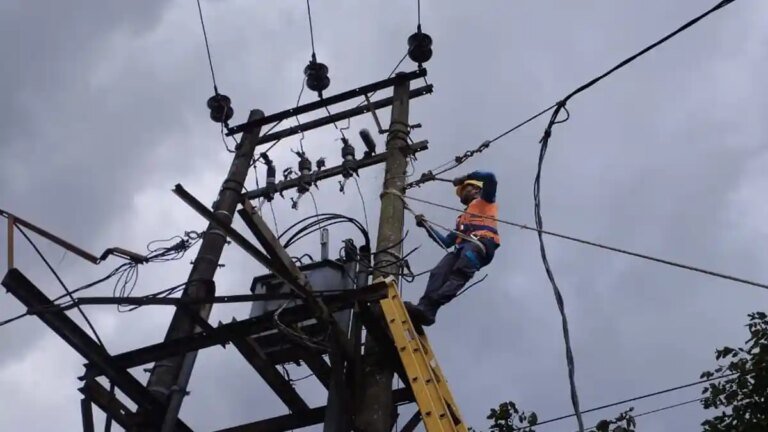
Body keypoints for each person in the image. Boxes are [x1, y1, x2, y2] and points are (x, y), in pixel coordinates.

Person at [405, 171, 500, 326]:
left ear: (476, 189)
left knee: (459, 272)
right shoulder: (462, 219)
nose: (462, 193)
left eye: (465, 188)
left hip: (480, 245)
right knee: (438, 272)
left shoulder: (486, 202)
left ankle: (431, 306)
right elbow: (445, 242)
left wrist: (465, 177)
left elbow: (491, 178)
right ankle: (426, 310)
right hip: (463, 246)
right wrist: (426, 226)